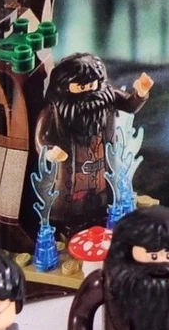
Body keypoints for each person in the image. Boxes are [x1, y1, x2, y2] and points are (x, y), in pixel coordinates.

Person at [35, 52, 153, 234]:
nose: (88, 90)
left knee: (101, 198)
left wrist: (141, 93)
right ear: (64, 86)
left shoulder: (106, 98)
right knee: (74, 203)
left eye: (92, 84)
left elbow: (130, 105)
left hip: (101, 167)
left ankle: (100, 220)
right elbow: (41, 137)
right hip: (73, 171)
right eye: (81, 86)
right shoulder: (56, 109)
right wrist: (50, 151)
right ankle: (70, 228)